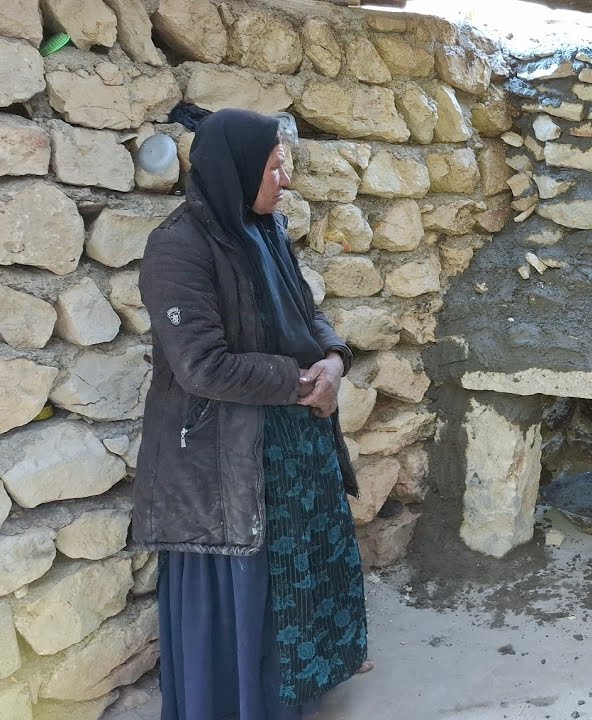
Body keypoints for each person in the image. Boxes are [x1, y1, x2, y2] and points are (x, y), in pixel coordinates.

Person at [132, 108, 370, 719]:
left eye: (284, 164)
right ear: (235, 170)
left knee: (303, 575)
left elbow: (307, 313)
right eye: (274, 165)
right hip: (226, 460)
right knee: (251, 585)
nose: (285, 179)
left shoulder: (265, 230)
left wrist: (335, 361)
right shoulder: (177, 248)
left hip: (296, 437)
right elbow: (202, 366)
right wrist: (297, 381)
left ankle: (303, 688)